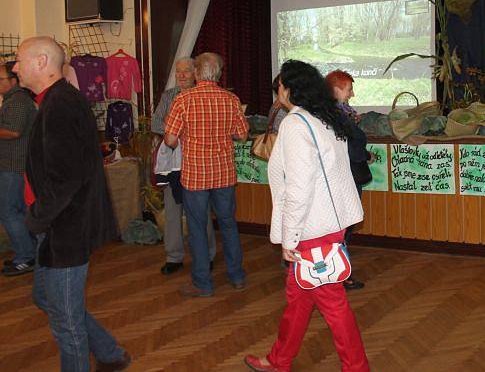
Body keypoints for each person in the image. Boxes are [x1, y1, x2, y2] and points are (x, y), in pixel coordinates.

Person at [244, 60, 369, 372]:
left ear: (289, 89)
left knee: (332, 303)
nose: (278, 92)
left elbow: (297, 187)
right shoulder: (324, 118)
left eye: (280, 86)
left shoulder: (296, 124)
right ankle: (279, 360)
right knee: (299, 298)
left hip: (313, 228)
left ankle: (357, 367)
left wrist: (291, 237)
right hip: (330, 222)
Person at [14, 36, 130, 371]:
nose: (14, 67)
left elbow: (66, 179)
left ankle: (106, 356)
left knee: (66, 323)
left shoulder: (61, 103)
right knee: (45, 298)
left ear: (41, 62)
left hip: (65, 227)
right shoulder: (53, 99)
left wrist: (36, 218)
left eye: (20, 60)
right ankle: (109, 352)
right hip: (56, 226)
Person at [163, 52, 248, 297]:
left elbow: (169, 140)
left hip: (195, 176)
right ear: (218, 74)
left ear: (197, 73)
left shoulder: (183, 100)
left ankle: (202, 283)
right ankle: (236, 275)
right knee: (229, 224)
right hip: (223, 174)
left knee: (198, 227)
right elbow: (242, 135)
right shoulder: (231, 99)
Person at [151, 57, 216, 275]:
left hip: (198, 162)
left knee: (201, 211)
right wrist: (178, 131)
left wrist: (181, 131)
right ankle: (174, 257)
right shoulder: (169, 96)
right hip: (173, 163)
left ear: (196, 73)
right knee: (172, 210)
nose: (181, 76)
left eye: (186, 71)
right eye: (178, 72)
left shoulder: (204, 95)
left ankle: (207, 255)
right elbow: (155, 122)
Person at [326, 69, 373, 291]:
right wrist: (364, 154)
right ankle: (341, 274)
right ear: (336, 89)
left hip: (339, 176)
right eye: (349, 89)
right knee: (344, 228)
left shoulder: (329, 114)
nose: (352, 94)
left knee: (341, 228)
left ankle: (337, 270)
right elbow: (352, 150)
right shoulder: (340, 117)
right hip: (346, 178)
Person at [0, 61, 37, 276]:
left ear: (13, 81)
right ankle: (29, 253)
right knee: (19, 211)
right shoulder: (15, 100)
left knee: (8, 211)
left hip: (13, 165)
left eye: (1, 79)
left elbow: (13, 132)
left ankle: (25, 256)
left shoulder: (16, 101)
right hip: (15, 164)